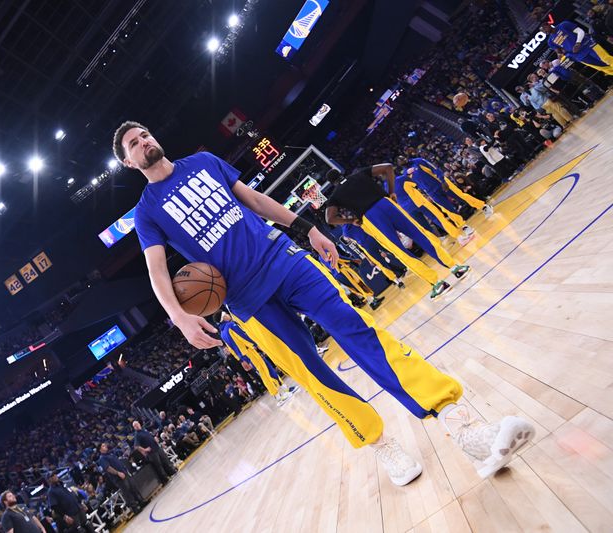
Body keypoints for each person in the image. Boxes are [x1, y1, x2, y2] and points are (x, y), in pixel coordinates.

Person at [114, 121, 534, 487]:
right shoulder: (146, 212)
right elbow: (156, 270)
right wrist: (180, 318)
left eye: (144, 134)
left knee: (358, 330)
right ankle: (381, 444)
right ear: (130, 163)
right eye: (134, 143)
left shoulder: (204, 161)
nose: (143, 141)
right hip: (246, 301)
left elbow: (255, 200)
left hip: (283, 259)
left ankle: (462, 427)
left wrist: (306, 227)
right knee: (314, 374)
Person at [324, 165, 468, 299]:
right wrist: (391, 192)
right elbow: (387, 167)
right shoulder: (359, 174)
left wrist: (351, 221)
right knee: (421, 235)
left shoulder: (336, 195)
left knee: (400, 251)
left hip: (371, 218)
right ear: (340, 172)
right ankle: (455, 267)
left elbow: (330, 218)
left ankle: (437, 283)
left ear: (332, 183)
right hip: (387, 204)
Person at [220, 311, 295, 404]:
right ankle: (277, 395)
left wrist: (240, 359)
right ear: (223, 318)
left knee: (266, 369)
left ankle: (284, 389)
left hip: (245, 355)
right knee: (265, 371)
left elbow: (231, 350)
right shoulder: (230, 325)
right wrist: (255, 343)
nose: (228, 315)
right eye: (226, 314)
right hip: (249, 352)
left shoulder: (222, 334)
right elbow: (242, 336)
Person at [543, 20, 613, 76]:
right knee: (601, 67)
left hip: (587, 45)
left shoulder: (563, 25)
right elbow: (558, 51)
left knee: (606, 59)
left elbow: (580, 31)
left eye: (544, 28)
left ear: (548, 25)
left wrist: (578, 43)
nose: (544, 31)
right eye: (542, 31)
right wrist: (560, 54)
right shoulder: (550, 41)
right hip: (578, 56)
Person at [97, 442, 146, 512]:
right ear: (100, 449)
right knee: (127, 492)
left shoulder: (110, 453)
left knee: (133, 488)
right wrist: (118, 473)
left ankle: (141, 502)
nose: (105, 446)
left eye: (105, 445)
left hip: (125, 473)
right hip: (118, 478)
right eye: (103, 446)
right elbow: (108, 468)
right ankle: (135, 508)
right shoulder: (102, 458)